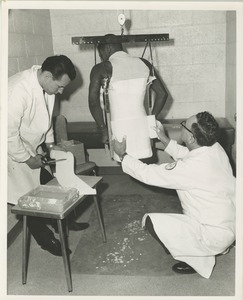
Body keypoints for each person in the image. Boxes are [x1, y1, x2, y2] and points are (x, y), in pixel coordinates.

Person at [112, 111, 236, 278]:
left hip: (212, 234)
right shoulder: (214, 148)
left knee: (150, 222)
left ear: (191, 138)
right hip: (230, 225)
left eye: (184, 124)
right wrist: (163, 138)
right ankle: (220, 246)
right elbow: (187, 154)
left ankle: (197, 258)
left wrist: (123, 155)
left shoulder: (190, 169)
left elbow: (148, 173)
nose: (181, 125)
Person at [8, 55, 89, 257]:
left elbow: (47, 119)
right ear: (46, 75)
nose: (62, 92)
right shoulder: (17, 90)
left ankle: (63, 222)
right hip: (8, 151)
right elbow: (7, 134)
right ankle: (47, 241)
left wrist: (51, 144)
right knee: (27, 200)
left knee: (50, 183)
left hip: (28, 145)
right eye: (60, 86)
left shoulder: (46, 86)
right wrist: (27, 159)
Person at [88, 34, 168, 160]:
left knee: (126, 162)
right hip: (142, 126)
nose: (101, 58)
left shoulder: (101, 68)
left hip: (120, 128)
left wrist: (103, 130)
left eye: (101, 54)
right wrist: (151, 120)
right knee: (143, 165)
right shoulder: (144, 63)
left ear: (107, 49)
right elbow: (162, 94)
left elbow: (93, 102)